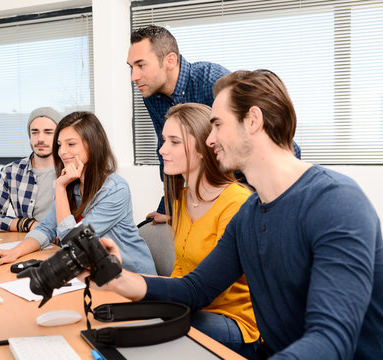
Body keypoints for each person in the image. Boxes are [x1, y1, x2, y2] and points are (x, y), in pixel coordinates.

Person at [84, 70, 383, 359]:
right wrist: (116, 278)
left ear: (252, 120)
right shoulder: (250, 215)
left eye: (217, 124)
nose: (210, 139)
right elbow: (194, 289)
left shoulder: (336, 203)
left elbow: (331, 341)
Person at [128, 25, 301, 222]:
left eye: (141, 65)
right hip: (215, 194)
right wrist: (169, 207)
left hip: (249, 195)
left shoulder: (212, 81)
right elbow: (167, 156)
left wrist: (257, 203)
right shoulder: (152, 95)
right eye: (131, 67)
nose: (134, 76)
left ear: (170, 60)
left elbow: (286, 148)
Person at [0, 111, 157, 275]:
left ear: (93, 145)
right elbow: (46, 228)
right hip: (98, 274)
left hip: (132, 277)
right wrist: (13, 252)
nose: (62, 151)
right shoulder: (74, 183)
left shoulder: (115, 188)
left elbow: (74, 243)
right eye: (59, 144)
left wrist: (60, 188)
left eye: (71, 144)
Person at [160, 102, 258, 356]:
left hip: (237, 322)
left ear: (205, 148)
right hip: (195, 307)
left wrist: (152, 294)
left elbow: (211, 288)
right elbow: (181, 268)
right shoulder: (181, 199)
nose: (162, 150)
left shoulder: (236, 202)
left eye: (174, 142)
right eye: (164, 141)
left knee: (160, 324)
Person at [0, 107, 62, 232]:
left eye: (48, 132)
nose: (40, 139)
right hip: (28, 243)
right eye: (35, 132)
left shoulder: (70, 171)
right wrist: (27, 224)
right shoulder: (11, 172)